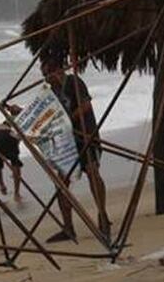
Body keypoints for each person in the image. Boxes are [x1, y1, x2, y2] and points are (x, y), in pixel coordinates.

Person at [39, 56, 113, 243]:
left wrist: (69, 119)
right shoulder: (51, 92)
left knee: (92, 172)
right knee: (61, 183)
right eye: (44, 75)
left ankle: (102, 216)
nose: (46, 79)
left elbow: (86, 105)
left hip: (85, 135)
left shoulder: (74, 82)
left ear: (57, 70)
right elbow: (46, 115)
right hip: (68, 141)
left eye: (48, 74)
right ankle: (68, 227)